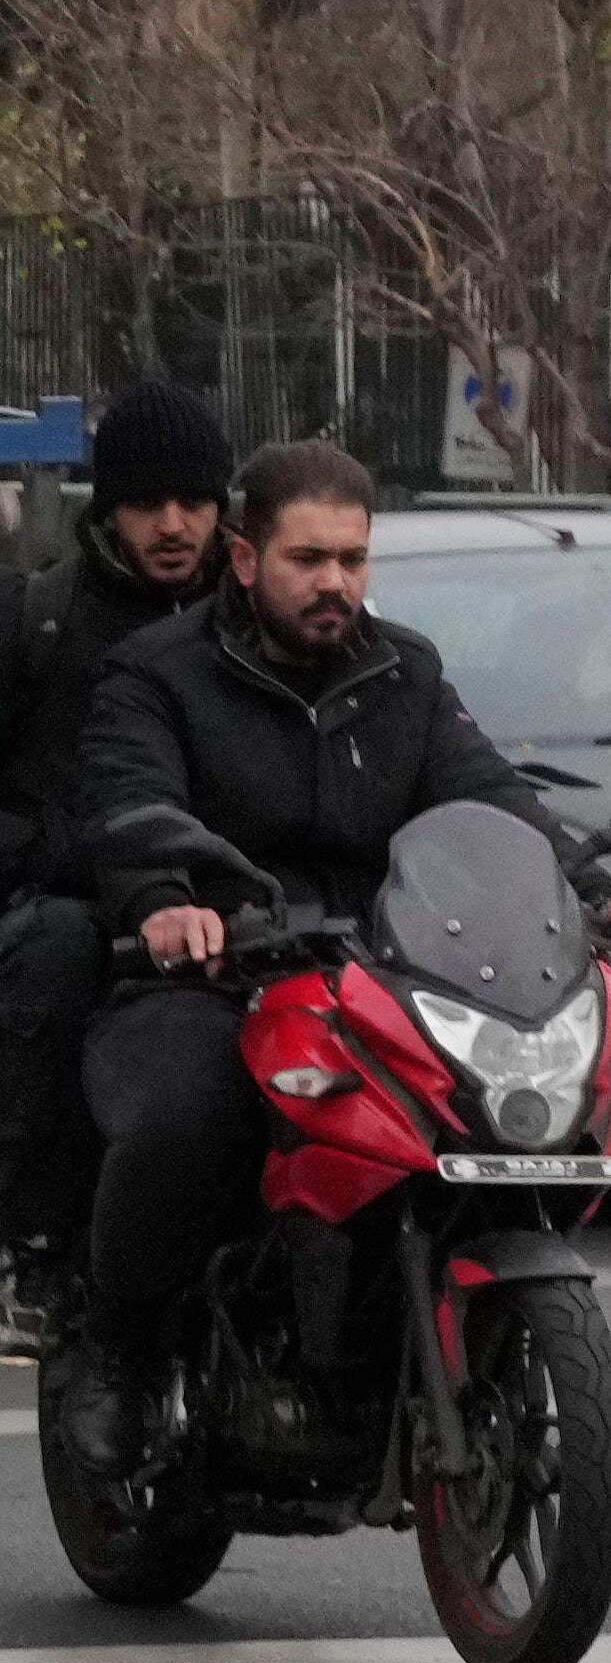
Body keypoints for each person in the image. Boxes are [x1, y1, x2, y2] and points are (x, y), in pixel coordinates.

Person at [61, 438, 552, 1462]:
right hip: (215, 971)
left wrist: (580, 883)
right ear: (244, 559)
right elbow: (126, 796)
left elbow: (487, 796)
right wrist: (165, 897)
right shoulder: (158, 673)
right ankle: (126, 1350)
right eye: (308, 558)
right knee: (187, 1118)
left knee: (494, 1110)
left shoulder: (405, 672)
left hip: (381, 974)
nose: (335, 582)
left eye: (352, 558)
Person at [0, 378, 231, 1358]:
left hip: (241, 910)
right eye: (147, 501)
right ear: (104, 505)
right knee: (50, 949)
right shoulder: (26, 614)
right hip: (83, 918)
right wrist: (35, 859)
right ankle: (38, 1252)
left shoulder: (256, 620)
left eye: (194, 500)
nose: (172, 524)